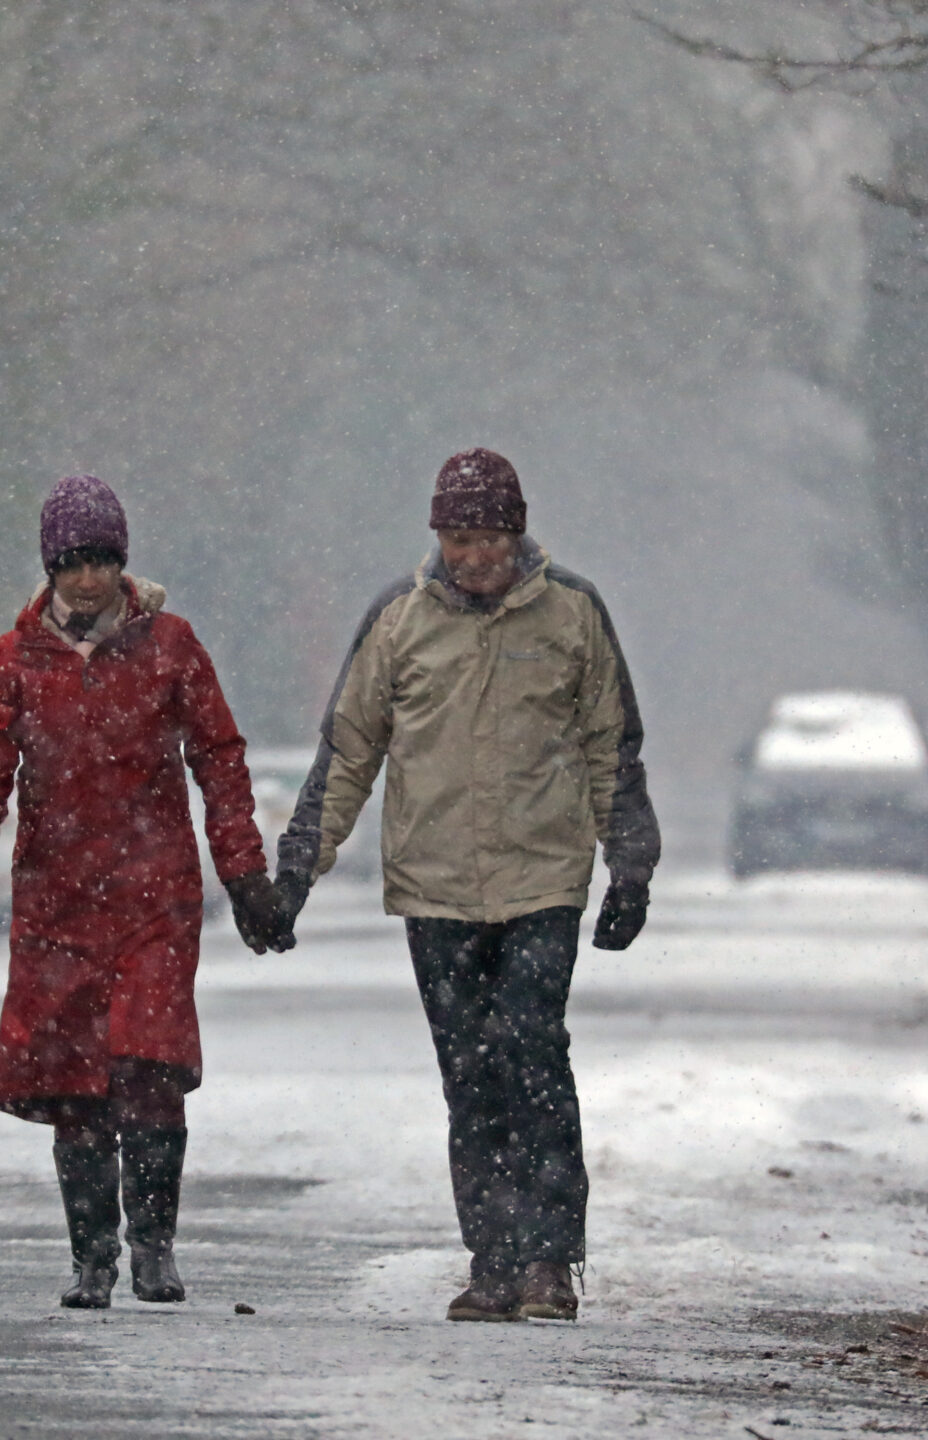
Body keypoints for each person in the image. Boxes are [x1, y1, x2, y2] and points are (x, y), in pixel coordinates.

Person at [274, 447, 658, 1323]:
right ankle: (492, 1259)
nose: (475, 556)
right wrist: (297, 869)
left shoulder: (572, 612)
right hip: (436, 887)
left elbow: (611, 744)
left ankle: (550, 1259)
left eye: (489, 538)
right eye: (458, 539)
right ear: (437, 538)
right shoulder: (399, 620)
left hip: (542, 879)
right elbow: (349, 752)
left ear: (517, 534)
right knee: (470, 1073)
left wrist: (629, 866)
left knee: (535, 1053)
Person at [0, 474, 294, 1309]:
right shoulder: (14, 660)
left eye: (100, 561)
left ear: (122, 563)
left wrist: (243, 873)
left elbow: (219, 757)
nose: (87, 579)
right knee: (73, 1082)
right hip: (55, 902)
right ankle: (91, 1257)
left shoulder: (170, 645)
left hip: (153, 896)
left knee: (148, 1065)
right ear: (51, 569)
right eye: (71, 564)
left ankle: (154, 1247)